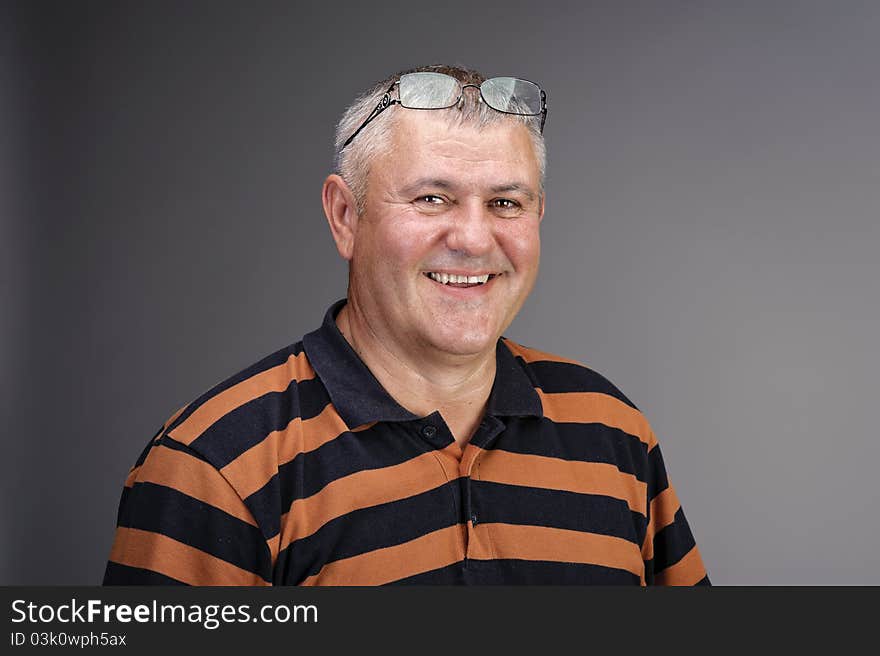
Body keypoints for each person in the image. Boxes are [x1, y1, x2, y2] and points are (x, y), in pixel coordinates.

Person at [103, 64, 709, 586]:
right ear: (345, 216)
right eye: (431, 199)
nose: (474, 239)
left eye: (506, 203)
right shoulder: (214, 467)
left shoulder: (611, 433)